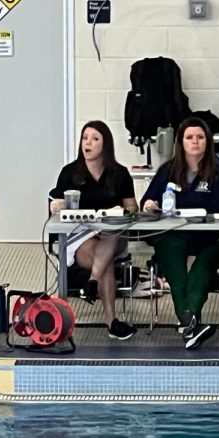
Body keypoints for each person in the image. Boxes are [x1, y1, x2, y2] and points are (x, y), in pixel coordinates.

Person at [139, 117, 219, 349]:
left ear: (207, 142)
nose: (195, 142)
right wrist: (150, 204)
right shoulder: (167, 171)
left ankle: (187, 321)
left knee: (202, 268)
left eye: (200, 137)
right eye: (189, 137)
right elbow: (146, 202)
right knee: (174, 262)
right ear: (181, 142)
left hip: (209, 236)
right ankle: (191, 322)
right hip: (174, 234)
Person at [50, 121, 138, 340]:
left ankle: (91, 281)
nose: (87, 143)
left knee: (111, 233)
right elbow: (55, 204)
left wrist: (125, 210)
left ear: (105, 144)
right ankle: (111, 321)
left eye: (94, 138)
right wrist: (55, 205)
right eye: (84, 138)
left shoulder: (120, 173)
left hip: (113, 233)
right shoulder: (69, 173)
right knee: (104, 259)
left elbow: (132, 206)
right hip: (82, 236)